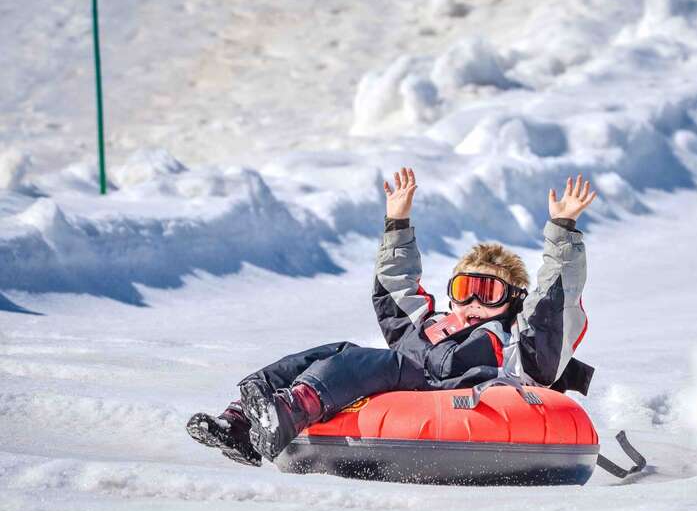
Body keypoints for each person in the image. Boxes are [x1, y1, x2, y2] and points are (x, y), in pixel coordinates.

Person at [186, 167, 597, 467]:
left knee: (376, 361)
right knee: (340, 350)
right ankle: (241, 417)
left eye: (488, 292)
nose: (473, 302)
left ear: (511, 302)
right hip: (411, 378)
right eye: (464, 290)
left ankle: (293, 408)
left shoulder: (517, 345)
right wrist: (397, 223)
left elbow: (553, 301)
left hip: (466, 391)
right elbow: (395, 288)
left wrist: (562, 232)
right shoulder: (431, 328)